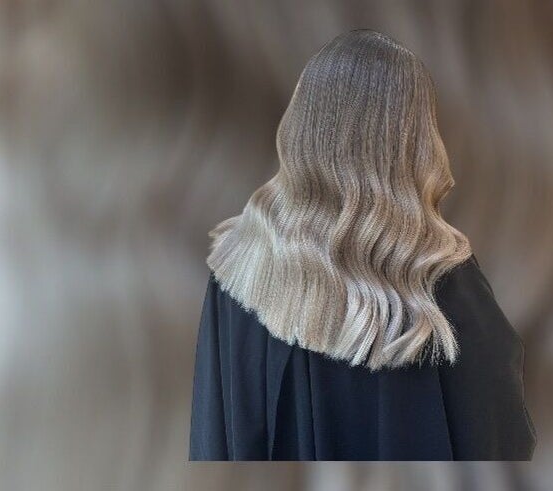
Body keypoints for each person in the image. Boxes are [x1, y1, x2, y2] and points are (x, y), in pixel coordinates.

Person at [189, 29, 535, 461]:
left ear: (303, 126)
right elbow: (498, 430)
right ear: (415, 140)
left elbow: (213, 434)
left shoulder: (237, 268)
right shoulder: (441, 280)